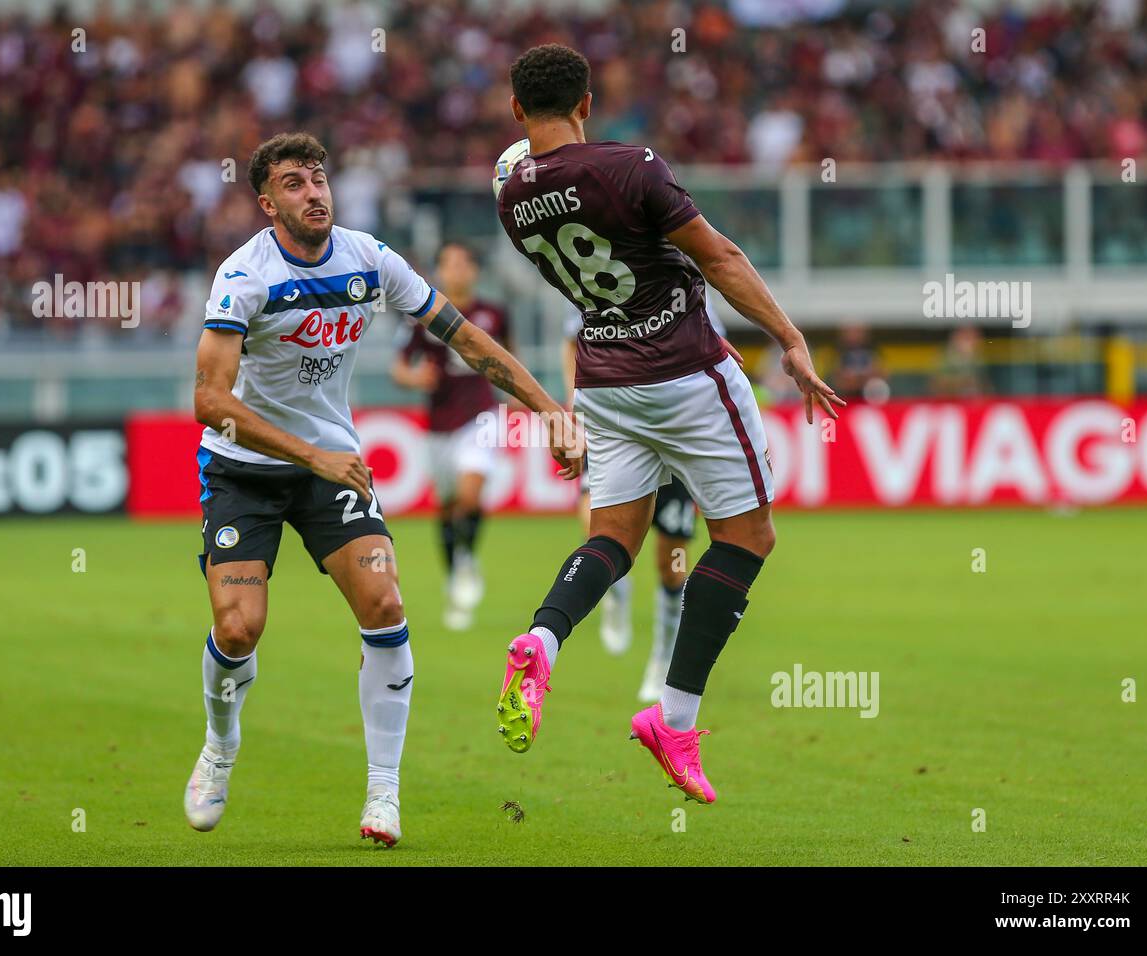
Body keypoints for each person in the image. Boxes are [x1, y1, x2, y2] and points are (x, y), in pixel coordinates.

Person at [187, 132, 577, 846]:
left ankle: (384, 795)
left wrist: (548, 410)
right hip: (244, 467)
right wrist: (310, 453)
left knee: (385, 599)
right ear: (267, 202)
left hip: (331, 468)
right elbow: (210, 401)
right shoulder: (244, 276)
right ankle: (221, 744)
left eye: (320, 177)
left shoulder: (369, 259)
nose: (315, 192)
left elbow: (465, 340)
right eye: (295, 184)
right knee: (238, 627)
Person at [493, 45, 843, 803]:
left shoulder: (511, 198)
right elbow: (717, 257)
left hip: (605, 387)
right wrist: (788, 337)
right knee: (747, 537)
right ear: (587, 101)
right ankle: (674, 718)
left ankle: (543, 637)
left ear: (517, 111)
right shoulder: (631, 166)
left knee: (611, 537)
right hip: (685, 373)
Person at [563, 298, 730, 702]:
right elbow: (572, 340)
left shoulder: (689, 297)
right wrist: (574, 395)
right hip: (616, 426)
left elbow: (720, 356)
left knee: (672, 565)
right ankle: (614, 586)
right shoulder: (604, 282)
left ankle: (662, 656)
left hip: (673, 439)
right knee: (596, 525)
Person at [391, 242, 511, 630]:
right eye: (448, 264)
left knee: (470, 493)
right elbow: (399, 368)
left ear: (474, 271)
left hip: (481, 415)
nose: (456, 271)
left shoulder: (493, 314)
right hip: (439, 421)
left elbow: (510, 359)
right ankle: (456, 572)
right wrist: (414, 378)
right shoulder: (422, 317)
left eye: (463, 264)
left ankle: (466, 563)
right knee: (446, 507)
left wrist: (520, 399)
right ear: (439, 272)